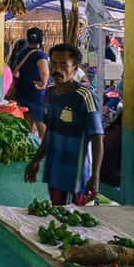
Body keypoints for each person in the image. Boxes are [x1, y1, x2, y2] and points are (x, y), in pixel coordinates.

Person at [24, 43, 104, 206]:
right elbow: (50, 132)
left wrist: (95, 176)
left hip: (73, 176)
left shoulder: (84, 96)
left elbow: (97, 138)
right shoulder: (50, 93)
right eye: (53, 64)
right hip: (53, 170)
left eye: (63, 65)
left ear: (75, 68)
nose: (57, 70)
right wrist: (36, 160)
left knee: (68, 221)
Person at [11, 28, 51, 145]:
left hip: (23, 91)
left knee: (27, 121)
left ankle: (29, 145)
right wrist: (43, 84)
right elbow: (44, 72)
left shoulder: (21, 53)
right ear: (40, 38)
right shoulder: (40, 54)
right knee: (40, 122)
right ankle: (44, 149)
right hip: (36, 93)